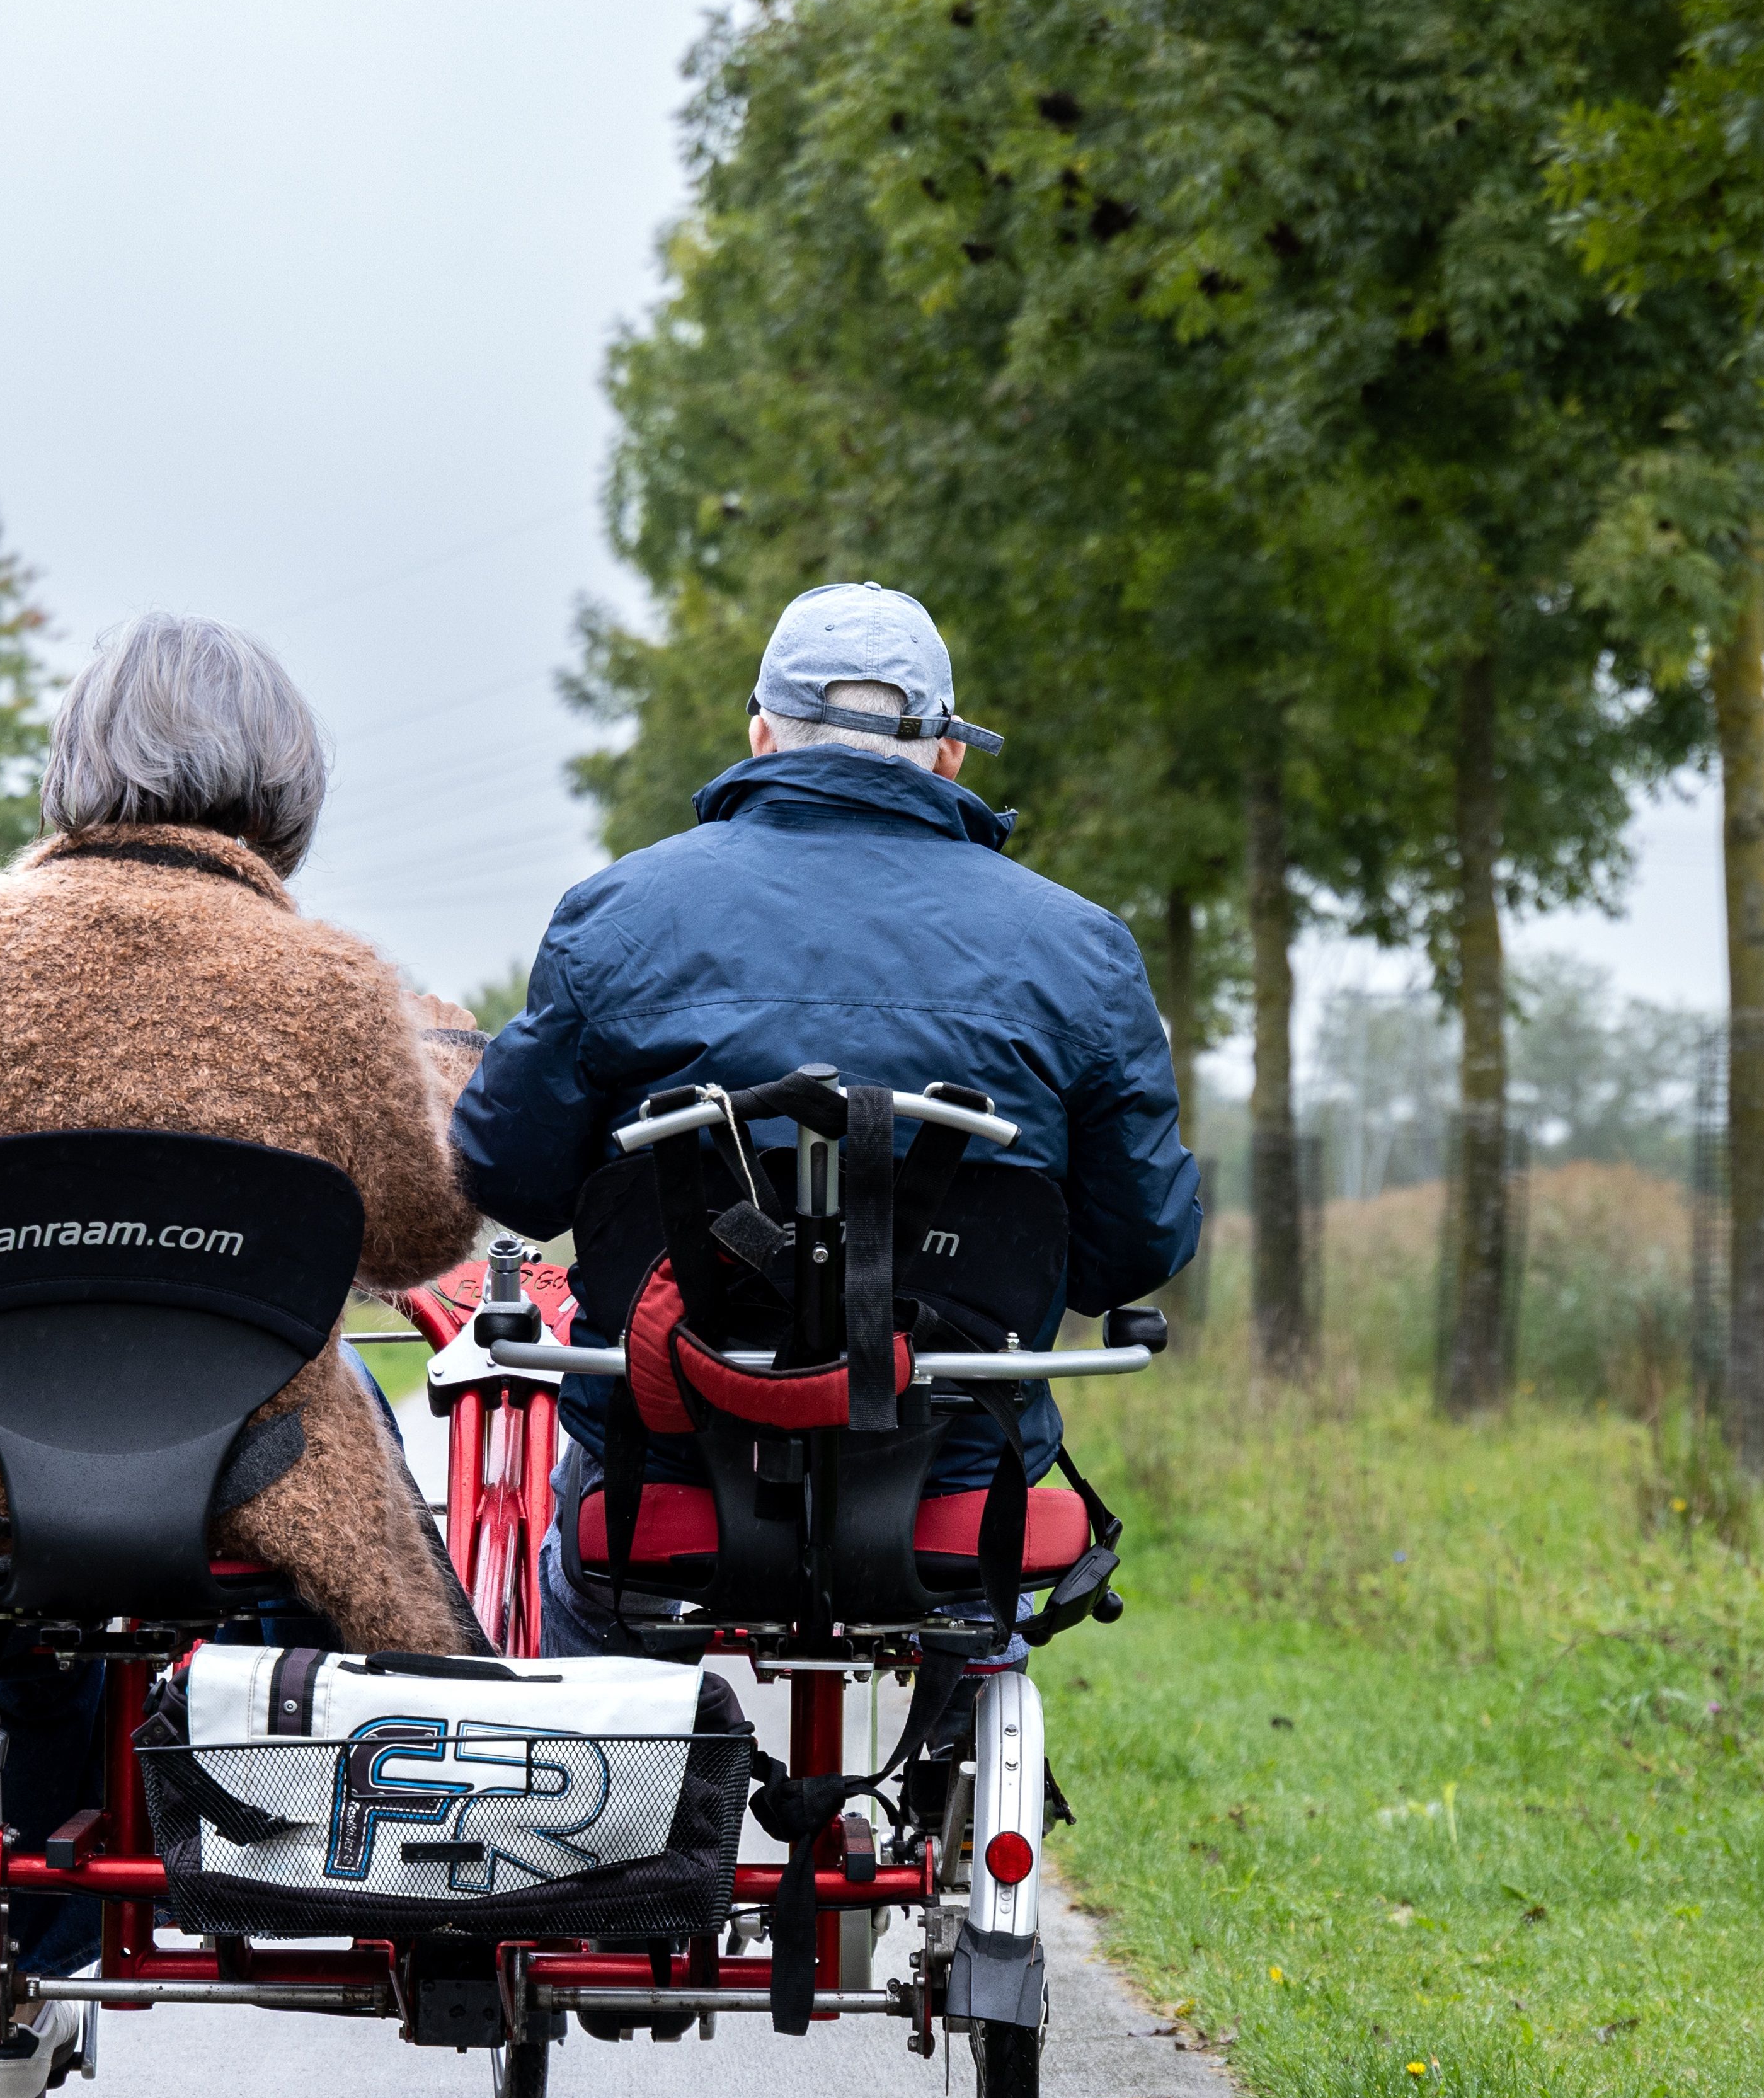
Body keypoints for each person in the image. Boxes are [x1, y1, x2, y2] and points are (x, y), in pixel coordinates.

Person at [0, 614, 485, 2098]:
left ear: (75, 767)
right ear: (284, 788)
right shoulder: (335, 983)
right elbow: (418, 1237)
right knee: (370, 1478)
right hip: (251, 1466)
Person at [442, 580, 1203, 1654]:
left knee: (569, 1586)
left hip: (664, 1483)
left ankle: (613, 1800)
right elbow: (1138, 1246)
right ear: (948, 755)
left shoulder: (614, 919)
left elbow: (508, 1178)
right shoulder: (1080, 951)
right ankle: (952, 1767)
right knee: (971, 1603)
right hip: (958, 1492)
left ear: (760, 735)